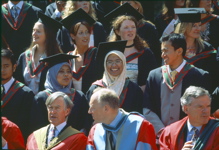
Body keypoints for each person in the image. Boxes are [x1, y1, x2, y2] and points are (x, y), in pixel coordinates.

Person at [143, 33, 211, 133]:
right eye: (162, 51)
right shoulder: (154, 75)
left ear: (179, 51)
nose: (162, 55)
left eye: (166, 51)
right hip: (159, 136)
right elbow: (147, 107)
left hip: (187, 135)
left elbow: (202, 108)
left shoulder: (199, 76)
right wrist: (162, 131)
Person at [30, 53, 89, 134]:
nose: (66, 75)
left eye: (68, 71)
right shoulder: (41, 98)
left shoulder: (79, 96)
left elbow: (85, 124)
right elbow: (36, 126)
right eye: (61, 71)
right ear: (52, 74)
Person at [106, 5, 157, 91]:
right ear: (117, 31)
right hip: (112, 97)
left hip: (137, 98)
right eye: (126, 27)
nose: (130, 30)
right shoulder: (109, 52)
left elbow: (150, 81)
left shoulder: (145, 53)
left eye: (133, 27)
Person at [87, 88, 157, 150]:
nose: (89, 112)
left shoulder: (140, 126)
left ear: (106, 108)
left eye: (93, 108)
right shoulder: (95, 131)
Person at [15, 12, 63, 95]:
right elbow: (18, 81)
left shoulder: (55, 59)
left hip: (46, 103)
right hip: (25, 103)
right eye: (33, 30)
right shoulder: (24, 56)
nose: (34, 34)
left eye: (38, 31)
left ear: (48, 34)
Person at [174, 8, 219, 90]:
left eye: (199, 25)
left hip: (202, 93)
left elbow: (214, 76)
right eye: (194, 26)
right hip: (177, 92)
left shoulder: (207, 49)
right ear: (184, 26)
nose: (198, 29)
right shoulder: (174, 48)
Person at [87, 50, 143, 114]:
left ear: (124, 64)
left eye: (118, 61)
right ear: (105, 64)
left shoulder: (133, 89)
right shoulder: (95, 88)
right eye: (109, 62)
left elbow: (138, 115)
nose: (114, 65)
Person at [61, 8, 101, 94]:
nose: (85, 36)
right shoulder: (68, 58)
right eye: (81, 33)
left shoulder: (96, 54)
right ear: (73, 36)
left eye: (87, 32)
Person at [1, 49, 34, 140]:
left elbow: (27, 126)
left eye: (6, 66)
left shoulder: (26, 93)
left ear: (14, 67)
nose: (2, 70)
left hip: (14, 142)